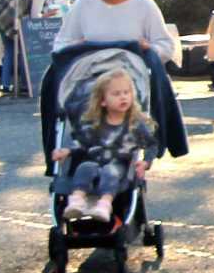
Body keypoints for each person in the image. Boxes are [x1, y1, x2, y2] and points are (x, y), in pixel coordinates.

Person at [54, 68, 154, 223]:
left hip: (119, 166)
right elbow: (82, 143)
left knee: (110, 171)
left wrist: (145, 162)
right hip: (95, 160)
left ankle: (105, 204)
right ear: (102, 100)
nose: (123, 97)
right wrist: (67, 151)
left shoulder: (135, 124)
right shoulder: (94, 123)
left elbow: (152, 144)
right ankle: (77, 200)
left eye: (126, 93)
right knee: (85, 167)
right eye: (116, 94)